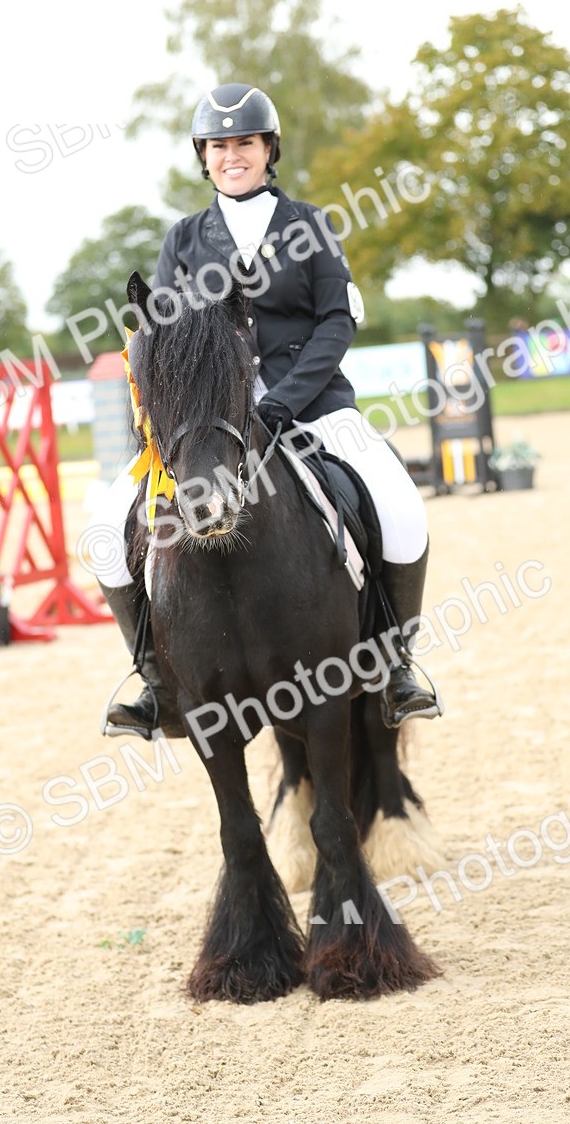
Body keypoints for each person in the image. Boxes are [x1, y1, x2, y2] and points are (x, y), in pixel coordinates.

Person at [98, 82, 441, 737]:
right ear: (204, 156)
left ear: (267, 149)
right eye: (220, 145)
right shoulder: (183, 239)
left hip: (312, 409)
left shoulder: (310, 226)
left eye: (245, 143)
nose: (233, 155)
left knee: (399, 503)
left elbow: (336, 322)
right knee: (109, 526)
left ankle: (396, 666)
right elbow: (162, 339)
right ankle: (153, 681)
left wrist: (284, 399)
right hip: (207, 429)